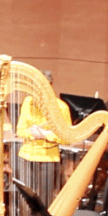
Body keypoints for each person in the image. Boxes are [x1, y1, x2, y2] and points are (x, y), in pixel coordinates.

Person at [14, 70, 72, 200]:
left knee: (44, 198)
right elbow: (20, 130)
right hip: (26, 155)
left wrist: (45, 135)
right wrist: (34, 134)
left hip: (48, 158)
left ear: (49, 86)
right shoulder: (28, 102)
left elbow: (67, 138)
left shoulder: (61, 107)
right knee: (26, 197)